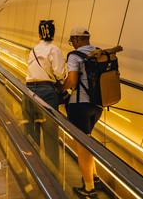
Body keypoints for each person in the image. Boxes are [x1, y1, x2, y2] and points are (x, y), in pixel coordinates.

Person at [61, 26, 103, 199]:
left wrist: (60, 88)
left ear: (76, 39)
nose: (72, 44)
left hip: (80, 105)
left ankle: (89, 189)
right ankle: (94, 176)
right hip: (98, 106)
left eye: (72, 41)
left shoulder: (74, 56)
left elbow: (72, 80)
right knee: (88, 140)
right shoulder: (98, 53)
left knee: (82, 147)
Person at [24, 20, 66, 172]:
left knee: (31, 133)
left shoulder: (34, 50)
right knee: (50, 136)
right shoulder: (54, 49)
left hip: (28, 91)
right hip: (46, 92)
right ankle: (52, 173)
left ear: (39, 34)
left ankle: (33, 170)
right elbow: (60, 73)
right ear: (53, 34)